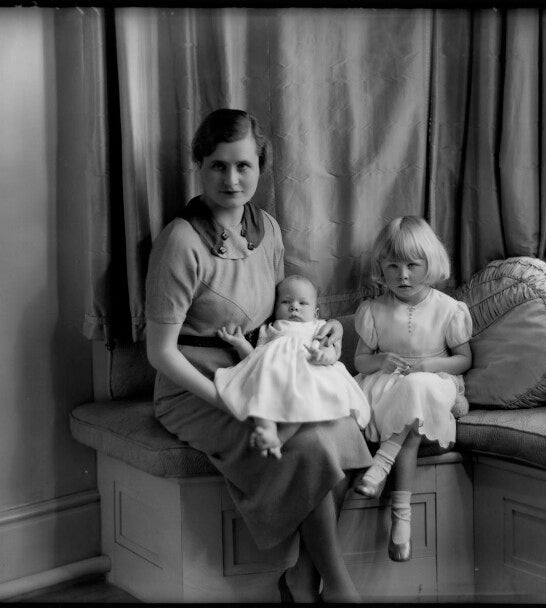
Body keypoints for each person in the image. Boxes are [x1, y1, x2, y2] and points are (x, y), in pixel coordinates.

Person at [145, 108, 371, 602]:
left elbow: (279, 320)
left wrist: (324, 331)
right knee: (309, 448)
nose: (232, 179)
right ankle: (339, 584)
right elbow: (160, 353)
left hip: (256, 370)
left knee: (344, 427)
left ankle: (301, 579)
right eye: (218, 166)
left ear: (260, 167)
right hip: (196, 388)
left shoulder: (265, 226)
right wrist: (231, 403)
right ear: (199, 167)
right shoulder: (180, 242)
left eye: (244, 166)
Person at [352, 216, 473, 562]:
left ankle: (383, 466)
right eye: (392, 266)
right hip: (389, 385)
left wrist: (430, 366)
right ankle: (400, 516)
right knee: (411, 414)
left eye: (412, 265)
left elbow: (463, 359)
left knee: (419, 389)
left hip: (435, 381)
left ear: (429, 265)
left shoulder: (448, 310)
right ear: (381, 268)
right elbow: (360, 362)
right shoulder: (373, 310)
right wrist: (381, 361)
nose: (402, 276)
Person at [214, 274, 371, 459]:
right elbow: (254, 359)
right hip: (277, 376)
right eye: (286, 302)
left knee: (305, 404)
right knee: (260, 390)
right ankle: (267, 428)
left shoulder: (319, 327)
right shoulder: (271, 329)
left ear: (316, 313)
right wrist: (240, 344)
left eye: (302, 303)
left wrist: (323, 356)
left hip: (309, 372)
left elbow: (332, 354)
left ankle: (279, 438)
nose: (294, 306)